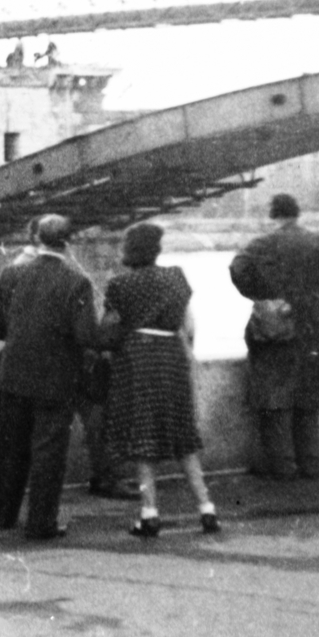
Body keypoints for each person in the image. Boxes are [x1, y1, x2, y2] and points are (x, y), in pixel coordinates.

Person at [0, 214, 104, 540]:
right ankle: (41, 523)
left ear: (36, 239)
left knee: (11, 449)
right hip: (56, 381)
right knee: (48, 452)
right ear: (68, 242)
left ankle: (5, 516)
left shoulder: (12, 274)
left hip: (13, 377)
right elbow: (86, 335)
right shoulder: (76, 282)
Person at [230, 194, 319, 480]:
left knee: (276, 400)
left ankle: (282, 467)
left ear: (273, 215)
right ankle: (311, 464)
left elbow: (238, 268)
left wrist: (265, 295)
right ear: (297, 213)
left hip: (277, 331)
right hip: (317, 332)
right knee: (309, 400)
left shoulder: (262, 244)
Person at [98, 223, 218, 537]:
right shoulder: (177, 276)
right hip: (172, 356)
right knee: (183, 435)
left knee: (143, 437)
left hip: (137, 360)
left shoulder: (119, 284)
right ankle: (206, 508)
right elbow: (189, 326)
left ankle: (149, 512)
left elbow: (109, 329)